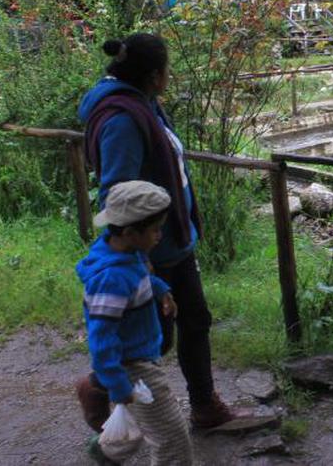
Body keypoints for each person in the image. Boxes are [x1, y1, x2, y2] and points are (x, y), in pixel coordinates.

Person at [75, 33, 237, 432]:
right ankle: (98, 389)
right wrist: (138, 258)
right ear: (153, 75)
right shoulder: (122, 119)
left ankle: (204, 406)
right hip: (151, 249)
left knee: (195, 320)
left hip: (172, 239)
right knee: (156, 339)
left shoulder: (141, 103)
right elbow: (117, 191)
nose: (170, 76)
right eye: (167, 70)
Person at [76, 180, 194, 466]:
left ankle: (105, 453)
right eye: (155, 229)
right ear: (130, 232)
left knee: (141, 420)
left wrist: (160, 289)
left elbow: (140, 277)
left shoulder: (129, 254)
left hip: (142, 357)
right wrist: (117, 384)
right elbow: (102, 340)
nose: (159, 235)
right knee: (172, 437)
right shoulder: (111, 280)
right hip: (133, 365)